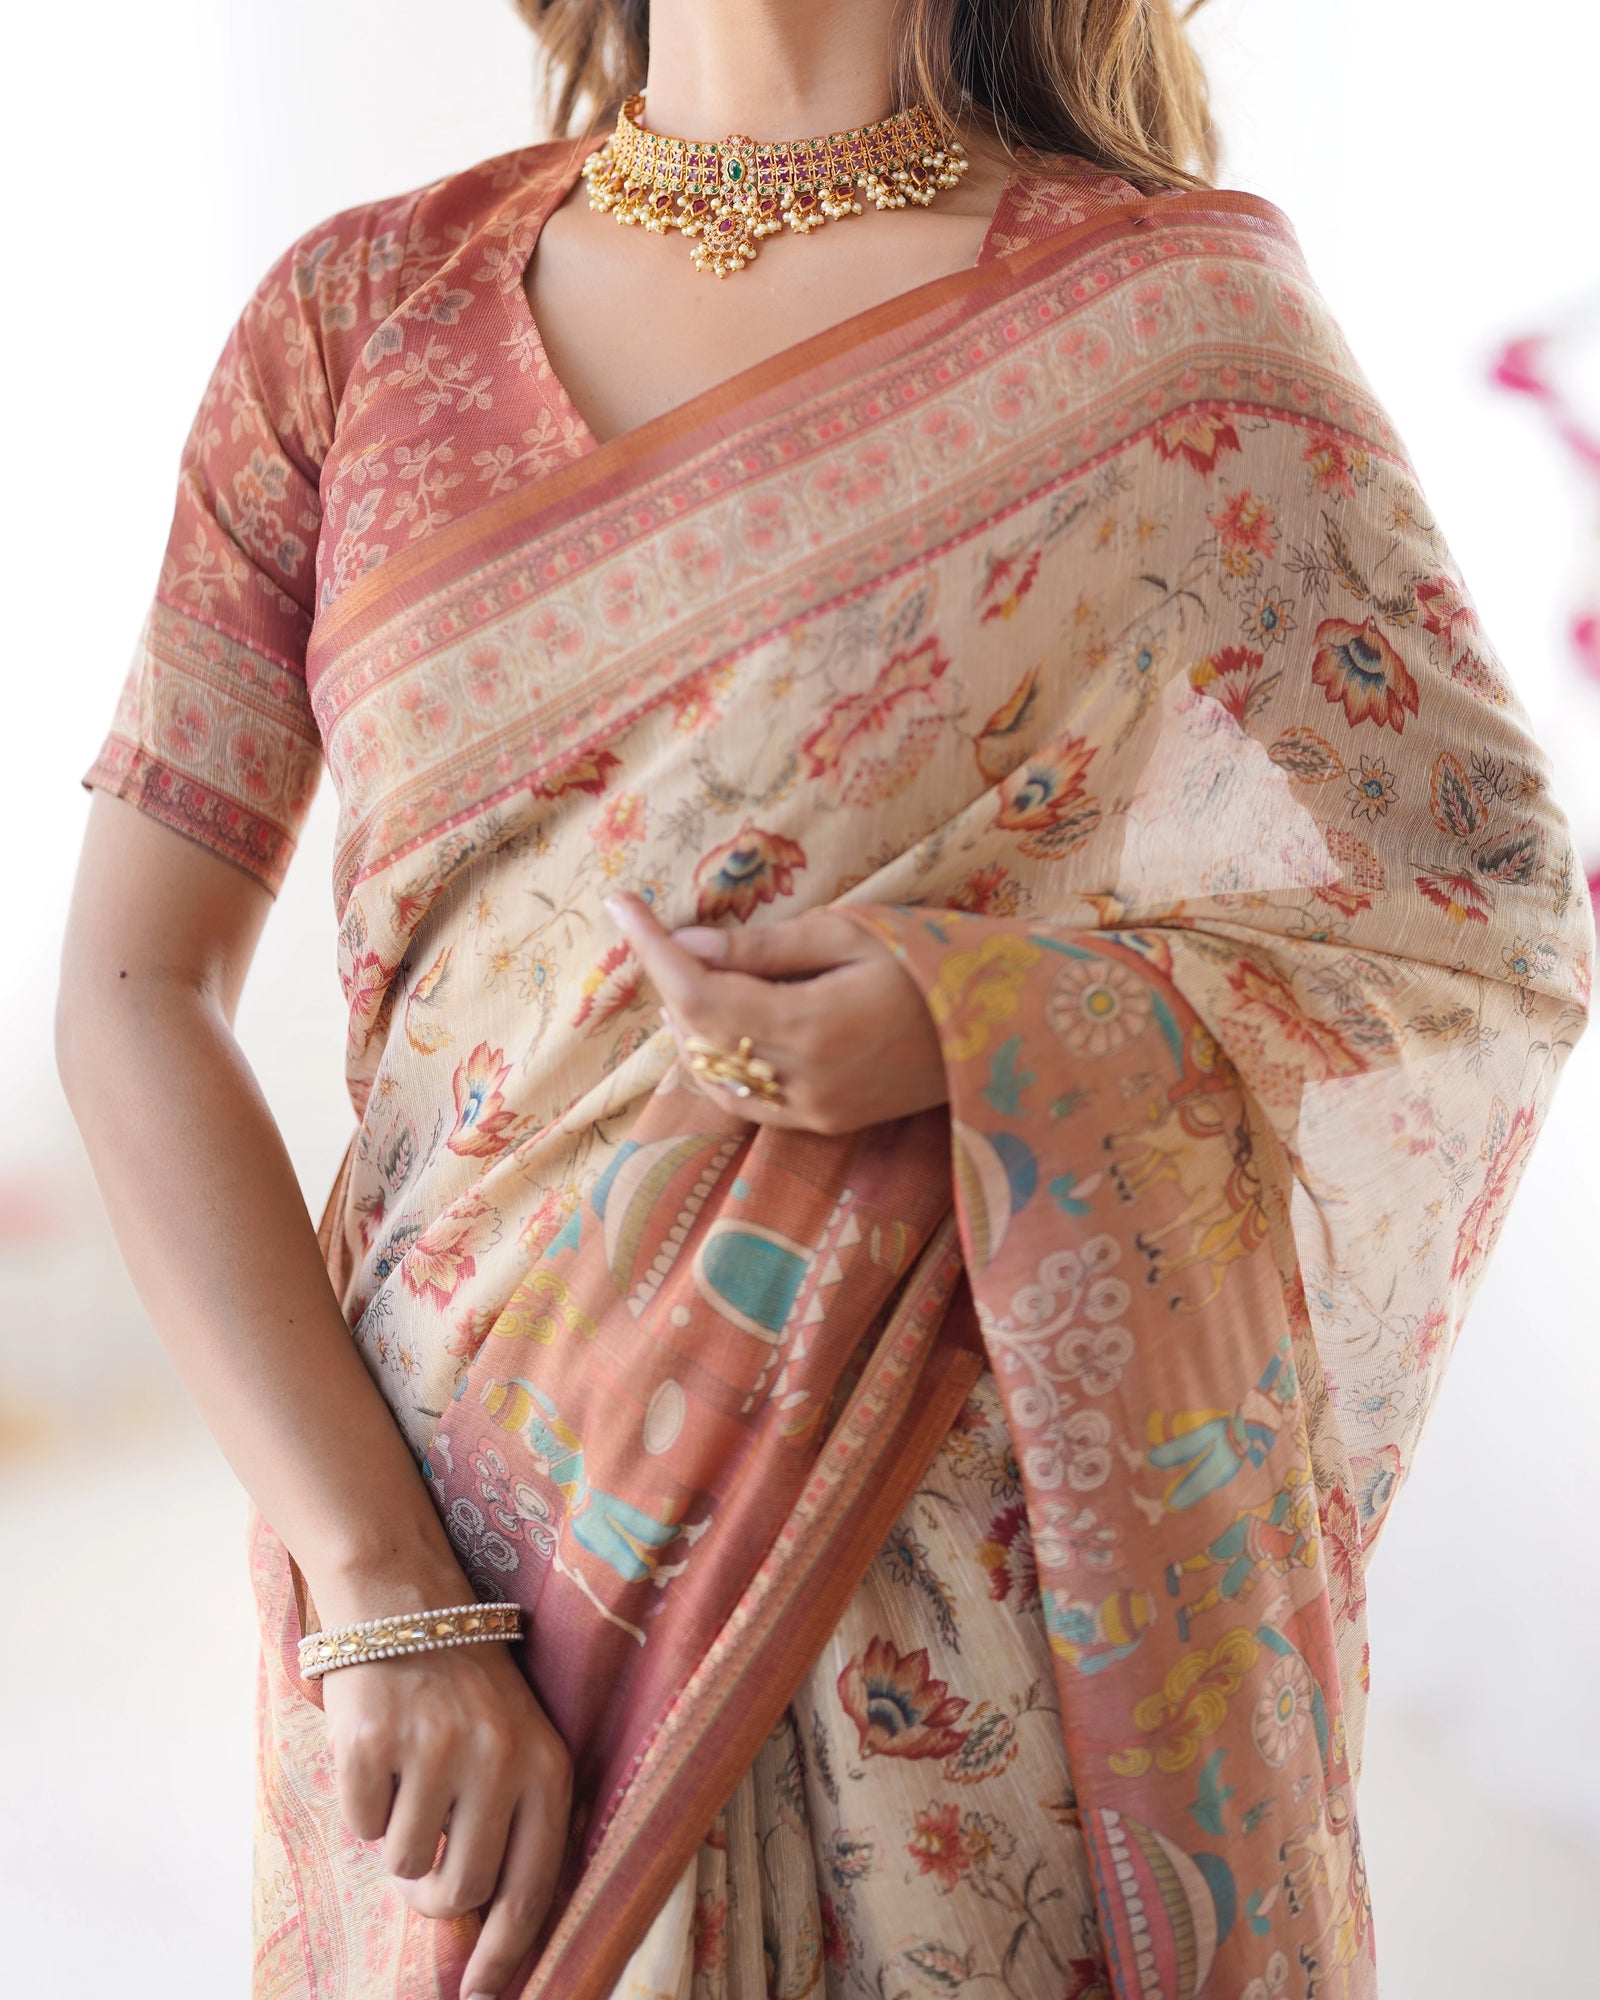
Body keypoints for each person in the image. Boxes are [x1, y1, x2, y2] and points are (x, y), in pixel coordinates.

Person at [56, 0, 1592, 1995]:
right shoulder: (358, 325)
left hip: (945, 1598)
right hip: (455, 1573)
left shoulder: (1166, 322)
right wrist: (382, 1594)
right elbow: (127, 982)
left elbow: (1480, 906)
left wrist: (965, 1021)